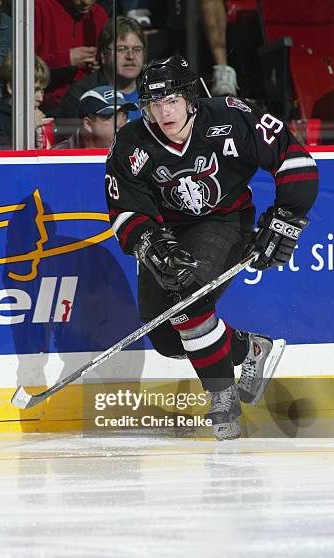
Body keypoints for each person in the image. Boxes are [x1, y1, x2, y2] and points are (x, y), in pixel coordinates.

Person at [105, 55, 319, 440]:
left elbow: (295, 160)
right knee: (168, 339)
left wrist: (286, 218)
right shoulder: (131, 142)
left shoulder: (232, 117)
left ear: (191, 98)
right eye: (155, 103)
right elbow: (125, 210)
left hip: (225, 221)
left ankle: (223, 401)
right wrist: (150, 243)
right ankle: (249, 349)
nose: (163, 112)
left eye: (171, 100)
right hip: (168, 233)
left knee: (187, 298)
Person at [57, 16, 144, 121]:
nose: (131, 56)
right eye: (121, 49)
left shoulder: (153, 88)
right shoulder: (80, 96)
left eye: (137, 49)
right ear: (103, 55)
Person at [34, 0, 108, 113]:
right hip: (45, 104)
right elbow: (24, 66)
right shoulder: (39, 7)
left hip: (88, 105)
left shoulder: (99, 15)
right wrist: (66, 59)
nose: (86, 2)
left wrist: (99, 66)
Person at [0, 54, 51, 149]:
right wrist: (28, 129)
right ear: (11, 88)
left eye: (42, 91)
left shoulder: (32, 116)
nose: (40, 98)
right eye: (35, 90)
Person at [56, 85, 136, 149]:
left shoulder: (136, 152)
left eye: (124, 115)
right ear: (88, 124)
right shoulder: (59, 158)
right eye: (113, 116)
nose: (122, 124)